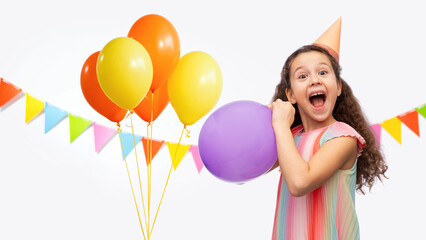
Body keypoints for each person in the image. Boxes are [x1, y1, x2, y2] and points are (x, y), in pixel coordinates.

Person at [267, 44, 388, 240]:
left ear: (338, 87)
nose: (315, 80)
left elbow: (300, 183)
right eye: (303, 76)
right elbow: (247, 168)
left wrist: (280, 125)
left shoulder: (343, 137)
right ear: (290, 95)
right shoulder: (291, 137)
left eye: (323, 72)